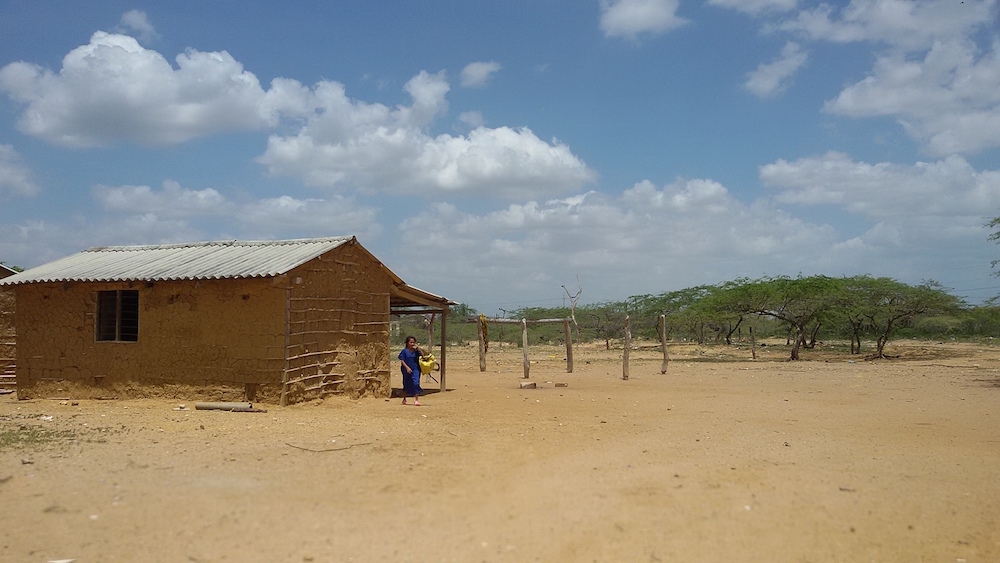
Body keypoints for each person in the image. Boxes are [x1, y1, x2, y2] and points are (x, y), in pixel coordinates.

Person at [398, 336, 424, 406]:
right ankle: (404, 398)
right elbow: (402, 360)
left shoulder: (416, 352)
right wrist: (407, 368)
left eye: (413, 342)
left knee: (416, 382)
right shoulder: (404, 351)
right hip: (406, 369)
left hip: (416, 369)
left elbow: (423, 355)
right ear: (407, 343)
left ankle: (416, 400)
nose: (412, 344)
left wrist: (419, 348)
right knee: (406, 383)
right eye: (411, 342)